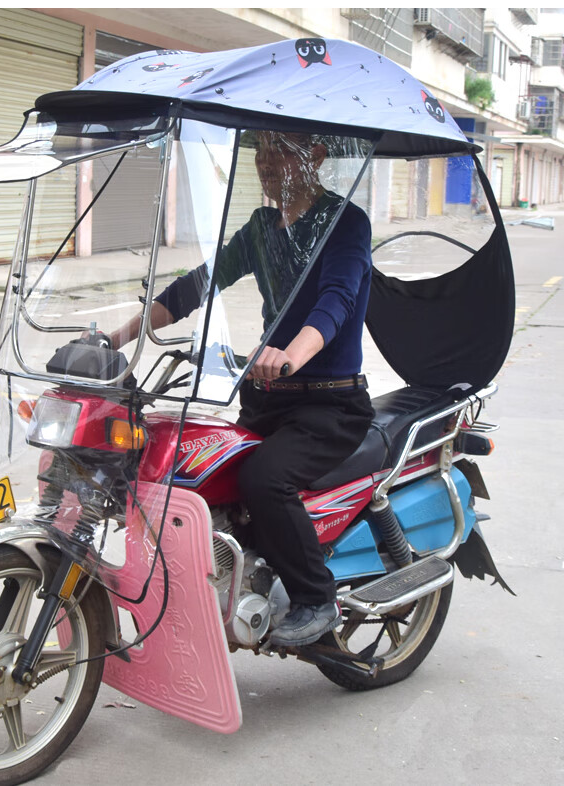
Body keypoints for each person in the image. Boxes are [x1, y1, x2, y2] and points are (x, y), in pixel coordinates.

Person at [110, 130, 374, 648]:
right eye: (261, 152)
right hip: (268, 399)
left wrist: (291, 355)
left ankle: (316, 599)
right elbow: (199, 284)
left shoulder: (345, 222)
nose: (266, 163)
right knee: (201, 473)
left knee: (264, 479)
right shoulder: (261, 227)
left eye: (281, 151)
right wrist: (116, 337)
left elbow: (337, 299)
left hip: (329, 405)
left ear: (316, 155)